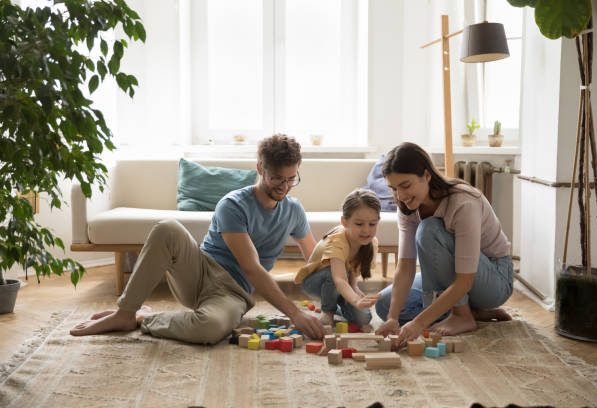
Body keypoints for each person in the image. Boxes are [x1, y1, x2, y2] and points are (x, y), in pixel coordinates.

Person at [70, 134, 325, 343]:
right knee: (167, 228)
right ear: (260, 169)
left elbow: (314, 261)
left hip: (233, 293)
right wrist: (295, 313)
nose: (284, 186)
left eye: (291, 179)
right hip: (199, 273)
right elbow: (252, 268)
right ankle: (126, 312)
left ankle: (143, 318)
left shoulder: (293, 210)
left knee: (210, 328)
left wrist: (339, 293)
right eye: (277, 178)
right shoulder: (233, 205)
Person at [375, 142, 513, 346]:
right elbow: (405, 268)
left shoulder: (463, 203)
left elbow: (465, 280)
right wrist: (393, 318)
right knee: (384, 304)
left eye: (405, 186)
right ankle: (471, 311)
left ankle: (462, 315)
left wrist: (419, 324)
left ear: (427, 176)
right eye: (393, 189)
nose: (401, 196)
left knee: (429, 229)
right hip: (459, 278)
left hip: (493, 278)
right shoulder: (406, 205)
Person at [295, 189, 382, 330]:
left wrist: (354, 288)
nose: (366, 230)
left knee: (364, 318)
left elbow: (353, 269)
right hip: (316, 282)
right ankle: (327, 310)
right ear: (344, 222)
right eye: (359, 224)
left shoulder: (371, 243)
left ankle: (334, 305)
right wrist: (354, 299)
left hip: (341, 284)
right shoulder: (337, 241)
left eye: (372, 224)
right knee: (334, 274)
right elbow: (339, 279)